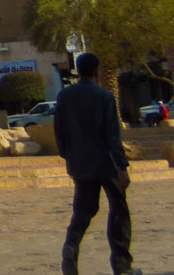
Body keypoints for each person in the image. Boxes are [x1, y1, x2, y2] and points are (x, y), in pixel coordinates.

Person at [54, 53, 137, 275]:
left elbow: (59, 133)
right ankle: (122, 266)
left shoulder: (64, 96)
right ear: (97, 71)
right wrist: (122, 167)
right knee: (119, 211)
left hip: (80, 164)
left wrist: (68, 158)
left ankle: (71, 247)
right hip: (106, 163)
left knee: (83, 211)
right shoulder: (104, 96)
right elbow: (112, 136)